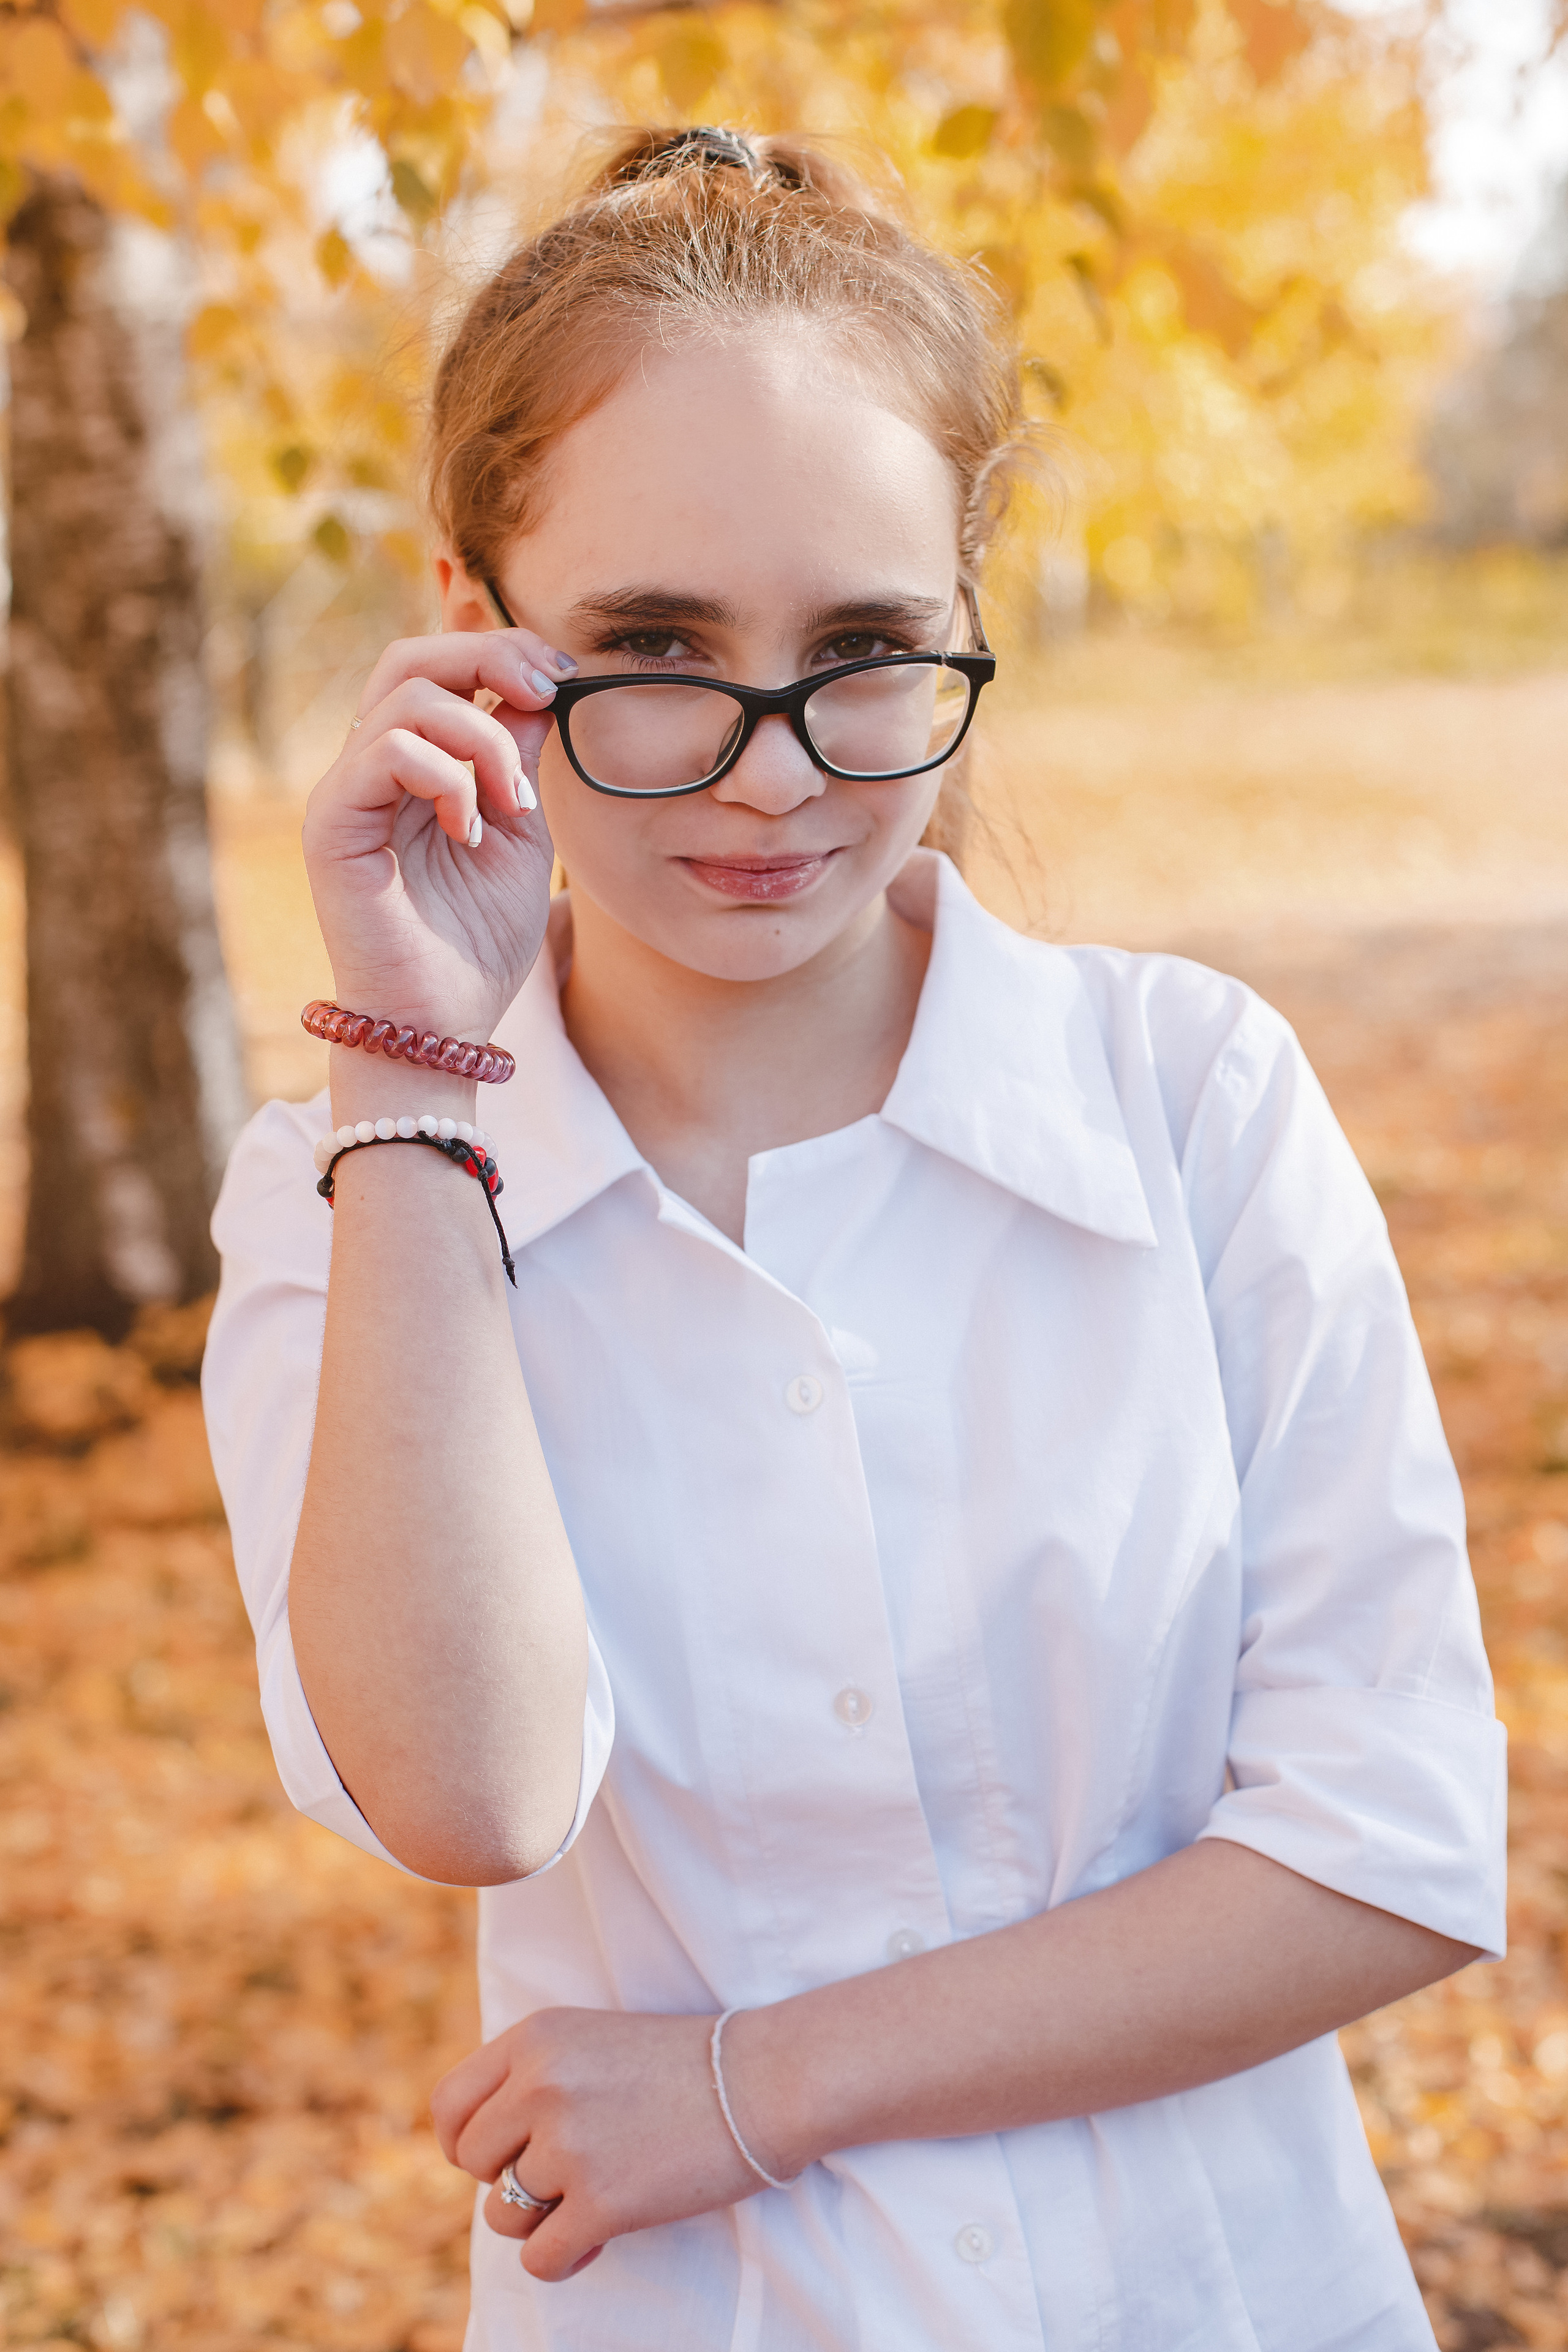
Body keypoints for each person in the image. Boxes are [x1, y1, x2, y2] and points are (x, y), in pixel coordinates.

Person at [202, 125, 1506, 2352]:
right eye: (652, 645)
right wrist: (416, 1064)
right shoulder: (350, 1183)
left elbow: (1386, 1848)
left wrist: (753, 2086)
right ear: (470, 627)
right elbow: (473, 1793)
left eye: (866, 647)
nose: (772, 774)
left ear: (967, 618)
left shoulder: (1191, 1099)